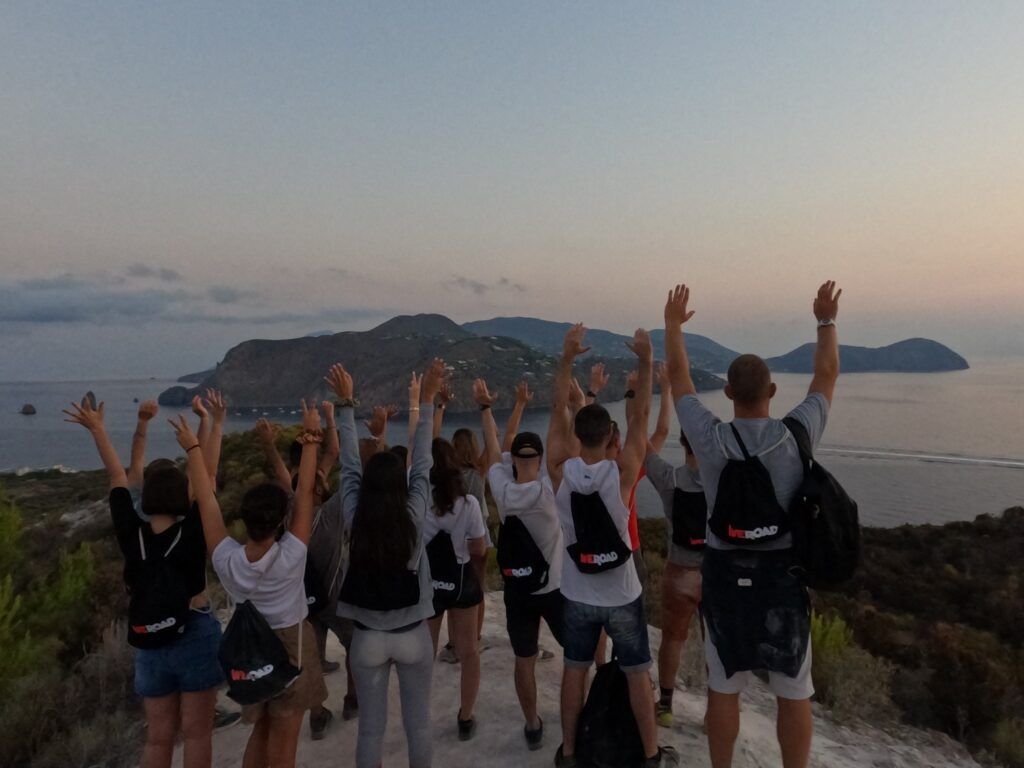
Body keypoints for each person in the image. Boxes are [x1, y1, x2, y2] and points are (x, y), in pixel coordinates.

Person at [664, 281, 842, 768]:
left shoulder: (710, 438)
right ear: (772, 391)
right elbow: (826, 374)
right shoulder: (795, 435)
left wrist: (673, 325)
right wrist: (825, 320)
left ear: (726, 393)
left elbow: (678, 378)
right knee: (793, 692)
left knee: (724, 690)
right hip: (782, 581)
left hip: (723, 579)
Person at [66, 398, 222, 768]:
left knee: (157, 738)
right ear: (185, 495)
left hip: (149, 642)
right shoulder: (194, 531)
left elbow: (118, 477)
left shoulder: (130, 533)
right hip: (195, 630)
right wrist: (201, 438)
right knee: (198, 733)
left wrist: (98, 430)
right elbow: (208, 476)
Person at [171, 399, 327, 768]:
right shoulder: (291, 556)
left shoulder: (226, 559)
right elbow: (304, 493)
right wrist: (310, 435)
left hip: (247, 646)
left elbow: (206, 499)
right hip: (290, 643)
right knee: (284, 739)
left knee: (261, 731)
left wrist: (193, 447)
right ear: (279, 523)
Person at [547, 324, 673, 768]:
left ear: (577, 436)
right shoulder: (620, 474)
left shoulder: (560, 472)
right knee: (638, 674)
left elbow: (558, 405)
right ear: (610, 439)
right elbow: (641, 420)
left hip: (578, 593)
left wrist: (566, 360)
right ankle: (651, 754)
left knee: (574, 670)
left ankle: (568, 752)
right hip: (622, 594)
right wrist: (645, 358)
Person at [331, 358, 447, 768]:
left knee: (370, 731)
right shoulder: (414, 514)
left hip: (367, 638)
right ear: (402, 485)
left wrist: (345, 405)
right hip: (413, 632)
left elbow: (347, 464)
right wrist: (428, 400)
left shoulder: (353, 514)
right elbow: (424, 461)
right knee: (418, 726)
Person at [255, 409, 359, 737]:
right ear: (321, 486)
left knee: (310, 659)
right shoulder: (332, 513)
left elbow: (283, 472)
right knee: (354, 646)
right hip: (338, 597)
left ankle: (317, 715)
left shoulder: (288, 517)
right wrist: (333, 420)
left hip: (305, 601)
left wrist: (269, 444)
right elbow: (354, 475)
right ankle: (353, 699)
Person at [473, 377, 564, 751]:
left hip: (517, 592)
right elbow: (559, 443)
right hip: (554, 590)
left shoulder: (502, 490)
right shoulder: (548, 492)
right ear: (540, 460)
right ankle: (578, 715)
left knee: (523, 660)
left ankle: (532, 723)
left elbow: (496, 450)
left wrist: (486, 408)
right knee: (576, 656)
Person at [643, 363, 705, 727]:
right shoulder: (722, 480)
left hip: (679, 568)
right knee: (719, 644)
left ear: (682, 446)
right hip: (716, 569)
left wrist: (662, 390)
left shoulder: (670, 479)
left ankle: (665, 705)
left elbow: (645, 446)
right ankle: (721, 707)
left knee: (673, 639)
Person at [425, 436, 487, 740]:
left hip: (429, 582)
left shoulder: (419, 501)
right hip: (461, 579)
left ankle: (420, 710)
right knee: (469, 652)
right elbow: (479, 548)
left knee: (426, 651)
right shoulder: (469, 503)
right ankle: (465, 716)